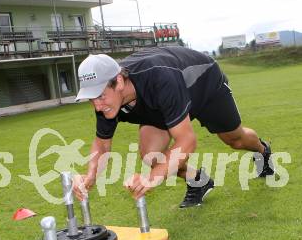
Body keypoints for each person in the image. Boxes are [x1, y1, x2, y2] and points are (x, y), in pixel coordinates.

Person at [72, 46, 274, 207]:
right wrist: (89, 176)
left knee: (235, 140)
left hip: (204, 87)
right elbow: (102, 144)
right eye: (91, 98)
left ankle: (263, 150)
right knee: (152, 155)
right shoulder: (106, 103)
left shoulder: (159, 77)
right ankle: (198, 181)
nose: (97, 105)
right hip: (163, 102)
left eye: (100, 95)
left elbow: (187, 141)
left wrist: (150, 179)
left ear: (118, 81)